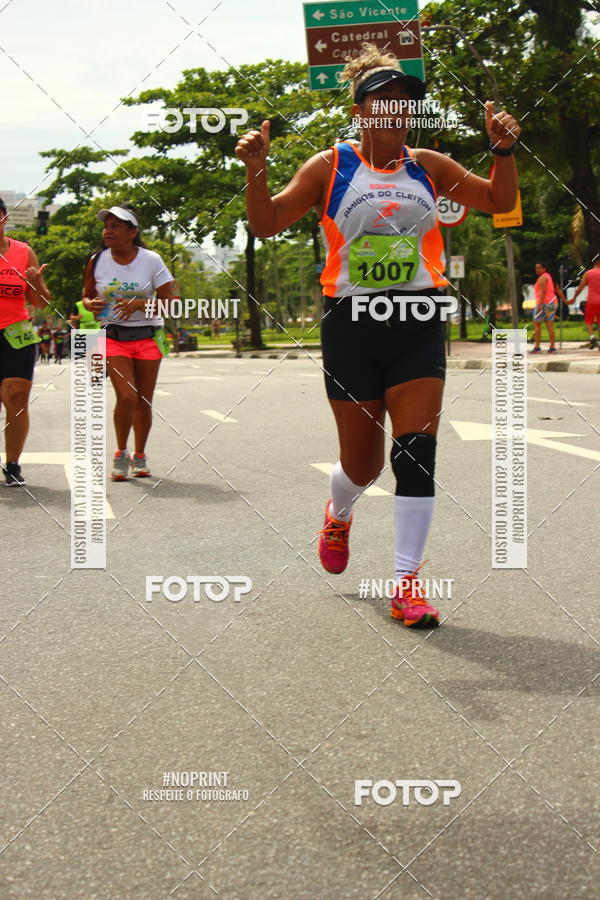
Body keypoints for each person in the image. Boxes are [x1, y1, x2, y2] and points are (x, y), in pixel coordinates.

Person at [235, 43, 521, 627]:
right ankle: (340, 509)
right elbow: (265, 224)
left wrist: (503, 149)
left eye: (405, 103)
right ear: (361, 111)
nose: (395, 112)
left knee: (415, 453)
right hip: (352, 325)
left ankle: (406, 584)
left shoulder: (430, 166)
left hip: (419, 319)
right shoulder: (330, 166)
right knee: (362, 465)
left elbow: (499, 199)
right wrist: (255, 169)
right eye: (382, 101)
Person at [81, 203, 174, 480]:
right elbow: (86, 297)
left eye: (115, 226)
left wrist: (139, 305)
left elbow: (170, 305)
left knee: (143, 401)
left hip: (147, 336)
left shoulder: (151, 260)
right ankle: (121, 454)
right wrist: (91, 305)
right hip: (112, 336)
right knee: (126, 396)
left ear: (132, 232)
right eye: (106, 226)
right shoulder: (96, 260)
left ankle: (140, 455)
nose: (107, 231)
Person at [0, 197, 51, 485]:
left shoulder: (23, 252)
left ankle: (13, 464)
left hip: (16, 333)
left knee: (17, 398)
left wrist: (36, 282)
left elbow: (41, 302)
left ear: (4, 218)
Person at [531, 262, 569, 353]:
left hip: (544, 303)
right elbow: (558, 290)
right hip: (552, 302)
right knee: (550, 325)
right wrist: (565, 300)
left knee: (537, 324)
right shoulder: (550, 277)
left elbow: (543, 292)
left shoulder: (543, 277)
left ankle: (537, 347)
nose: (537, 269)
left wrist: (539, 305)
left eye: (539, 268)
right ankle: (552, 347)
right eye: (536, 268)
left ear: (544, 268)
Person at [572, 257, 600, 348]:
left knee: (589, 321)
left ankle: (592, 336)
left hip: (591, 301)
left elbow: (580, 288)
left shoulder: (588, 273)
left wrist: (574, 298)